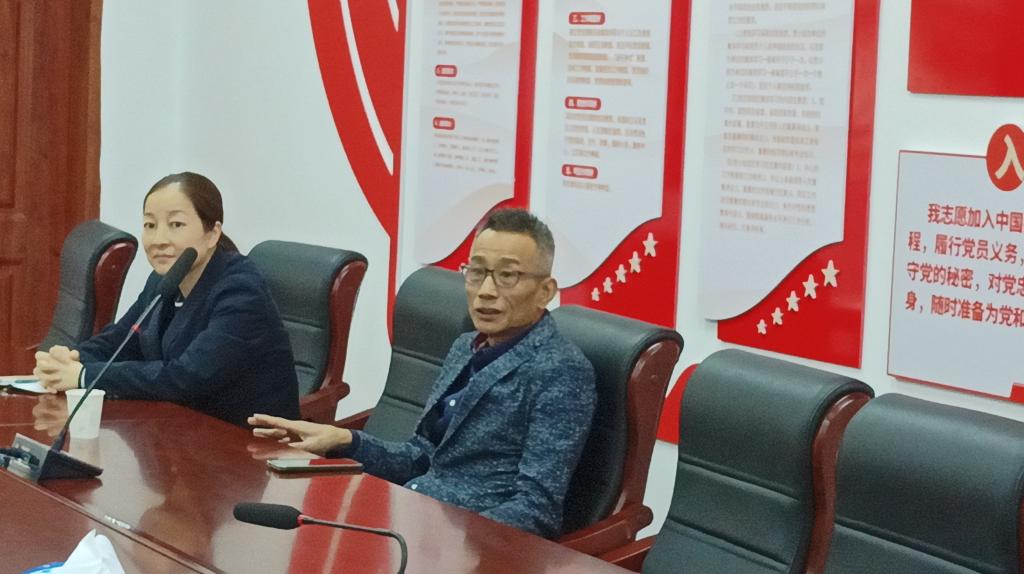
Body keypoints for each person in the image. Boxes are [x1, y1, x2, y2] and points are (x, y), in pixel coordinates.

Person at [250, 209, 597, 538]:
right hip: (408, 514)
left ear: (545, 291)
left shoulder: (561, 371)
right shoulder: (465, 347)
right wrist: (345, 440)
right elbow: (421, 456)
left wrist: (451, 537)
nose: (486, 291)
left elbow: (536, 509)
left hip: (468, 545)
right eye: (476, 272)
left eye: (508, 276)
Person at [33, 172, 300, 427]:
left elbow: (187, 377)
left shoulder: (241, 290)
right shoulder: (164, 281)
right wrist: (71, 359)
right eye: (150, 225)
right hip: (180, 431)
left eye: (176, 225)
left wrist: (83, 375)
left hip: (246, 443)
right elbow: (121, 340)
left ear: (213, 234)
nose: (159, 240)